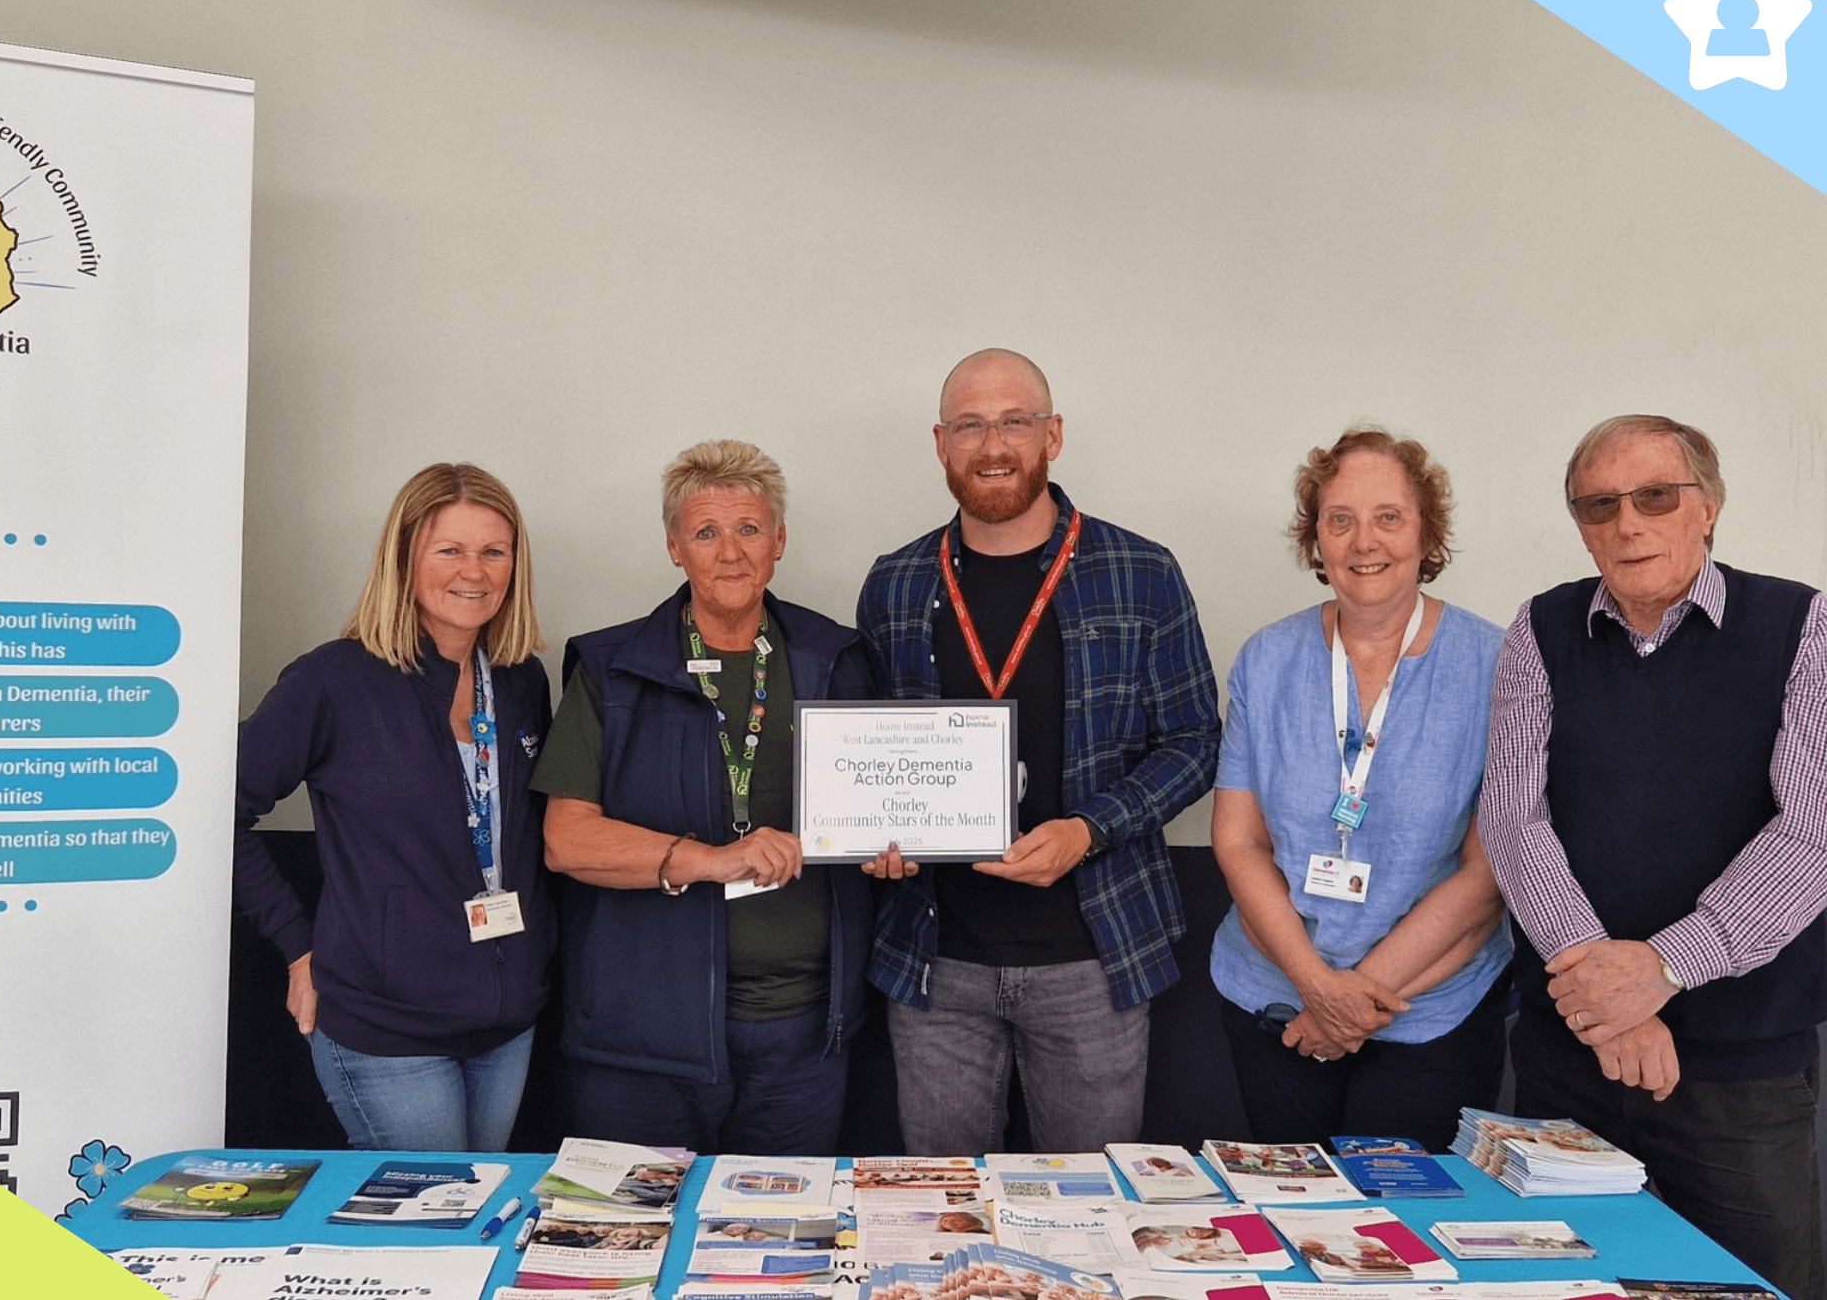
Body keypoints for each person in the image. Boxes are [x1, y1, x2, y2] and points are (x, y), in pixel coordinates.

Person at [1479, 414, 1827, 1300]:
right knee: (1560, 1285)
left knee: (1754, 1290)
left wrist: (1665, 968)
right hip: (1570, 1055)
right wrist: (1612, 1000)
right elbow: (1515, 820)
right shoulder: (1539, 628)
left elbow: (1810, 831)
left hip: (1739, 1072)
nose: (1627, 522)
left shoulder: (1803, 624)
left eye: (1654, 496)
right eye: (1599, 504)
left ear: (1706, 508)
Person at [858, 347, 1221, 1153]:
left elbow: (1197, 743)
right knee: (941, 1210)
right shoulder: (894, 583)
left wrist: (1088, 829)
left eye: (1015, 422)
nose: (994, 445)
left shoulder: (1142, 571)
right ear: (940, 442)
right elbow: (874, 755)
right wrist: (874, 838)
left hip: (1094, 958)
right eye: (971, 425)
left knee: (1090, 1215)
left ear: (1052, 434)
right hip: (936, 960)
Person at [535, 439, 873, 1154]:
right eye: (706, 532)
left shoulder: (836, 657)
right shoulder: (611, 668)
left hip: (805, 1037)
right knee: (630, 1250)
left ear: (779, 540)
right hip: (642, 1040)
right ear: (673, 547)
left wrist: (898, 847)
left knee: (780, 1253)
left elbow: (875, 812)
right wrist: (710, 858)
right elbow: (566, 839)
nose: (729, 551)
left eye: (749, 528)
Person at [233, 462, 554, 1151]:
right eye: (450, 550)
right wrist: (295, 946)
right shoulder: (332, 681)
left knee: (478, 1216)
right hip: (388, 1031)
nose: (474, 571)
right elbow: (219, 809)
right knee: (432, 1231)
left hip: (505, 1023)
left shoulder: (522, 678)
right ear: (404, 559)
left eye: (493, 551)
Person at [1209, 429, 1511, 1151]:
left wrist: (1351, 1001)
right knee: (1296, 1220)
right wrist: (1316, 985)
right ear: (1315, 540)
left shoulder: (1497, 663)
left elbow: (1486, 873)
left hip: (1433, 1007)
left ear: (1426, 532)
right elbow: (1238, 840)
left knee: (1408, 1238)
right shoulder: (1267, 659)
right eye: (1339, 519)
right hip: (1276, 995)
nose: (1363, 540)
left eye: (1388, 517)